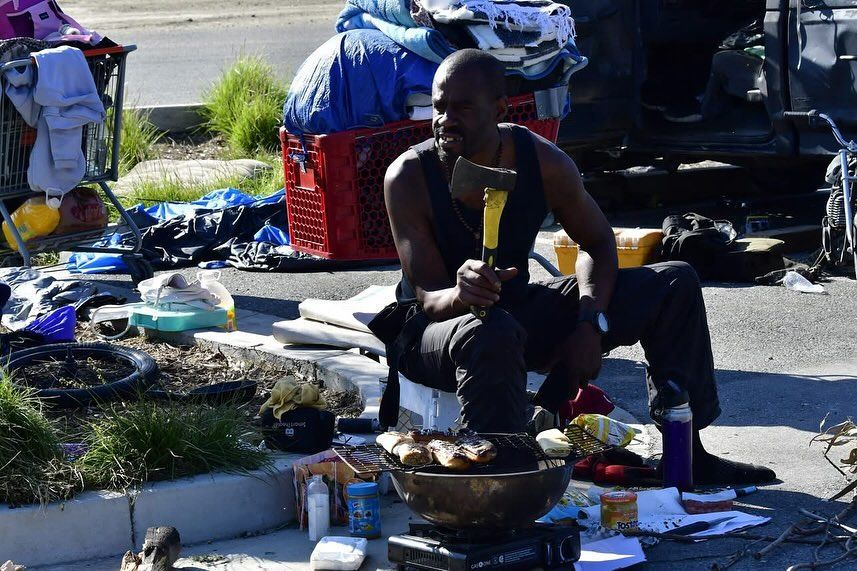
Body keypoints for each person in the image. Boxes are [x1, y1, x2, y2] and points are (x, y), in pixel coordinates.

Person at [381, 48, 775, 485]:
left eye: (462, 108)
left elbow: (599, 244)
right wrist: (460, 292)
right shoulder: (408, 177)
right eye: (439, 107)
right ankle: (499, 479)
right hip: (435, 332)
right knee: (490, 330)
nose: (445, 120)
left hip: (513, 312)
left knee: (673, 282)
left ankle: (687, 450)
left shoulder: (543, 162)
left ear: (499, 109)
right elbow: (428, 296)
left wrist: (591, 322)